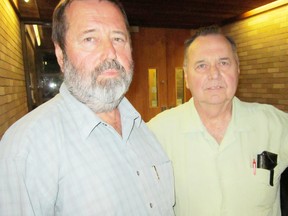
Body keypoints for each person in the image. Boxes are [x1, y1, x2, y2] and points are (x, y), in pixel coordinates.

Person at [0, 0, 175, 215]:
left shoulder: (142, 129)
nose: (110, 52)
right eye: (90, 39)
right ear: (61, 55)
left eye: (118, 38)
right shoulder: (27, 146)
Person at [148, 25, 288, 216]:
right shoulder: (157, 133)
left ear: (238, 69)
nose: (214, 74)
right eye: (202, 65)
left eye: (223, 63)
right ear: (186, 76)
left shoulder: (274, 124)